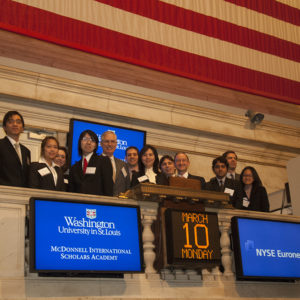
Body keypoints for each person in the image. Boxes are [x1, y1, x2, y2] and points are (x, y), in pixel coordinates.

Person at [69, 129, 113, 196]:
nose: (88, 142)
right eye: (85, 139)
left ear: (95, 145)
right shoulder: (74, 167)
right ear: (80, 142)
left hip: (97, 204)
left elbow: (108, 189)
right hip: (78, 204)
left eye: (92, 140)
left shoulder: (103, 161)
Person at [0, 111, 31, 187]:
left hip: (22, 195)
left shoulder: (26, 151)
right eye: (11, 122)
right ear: (4, 127)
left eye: (18, 122)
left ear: (22, 128)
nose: (15, 124)